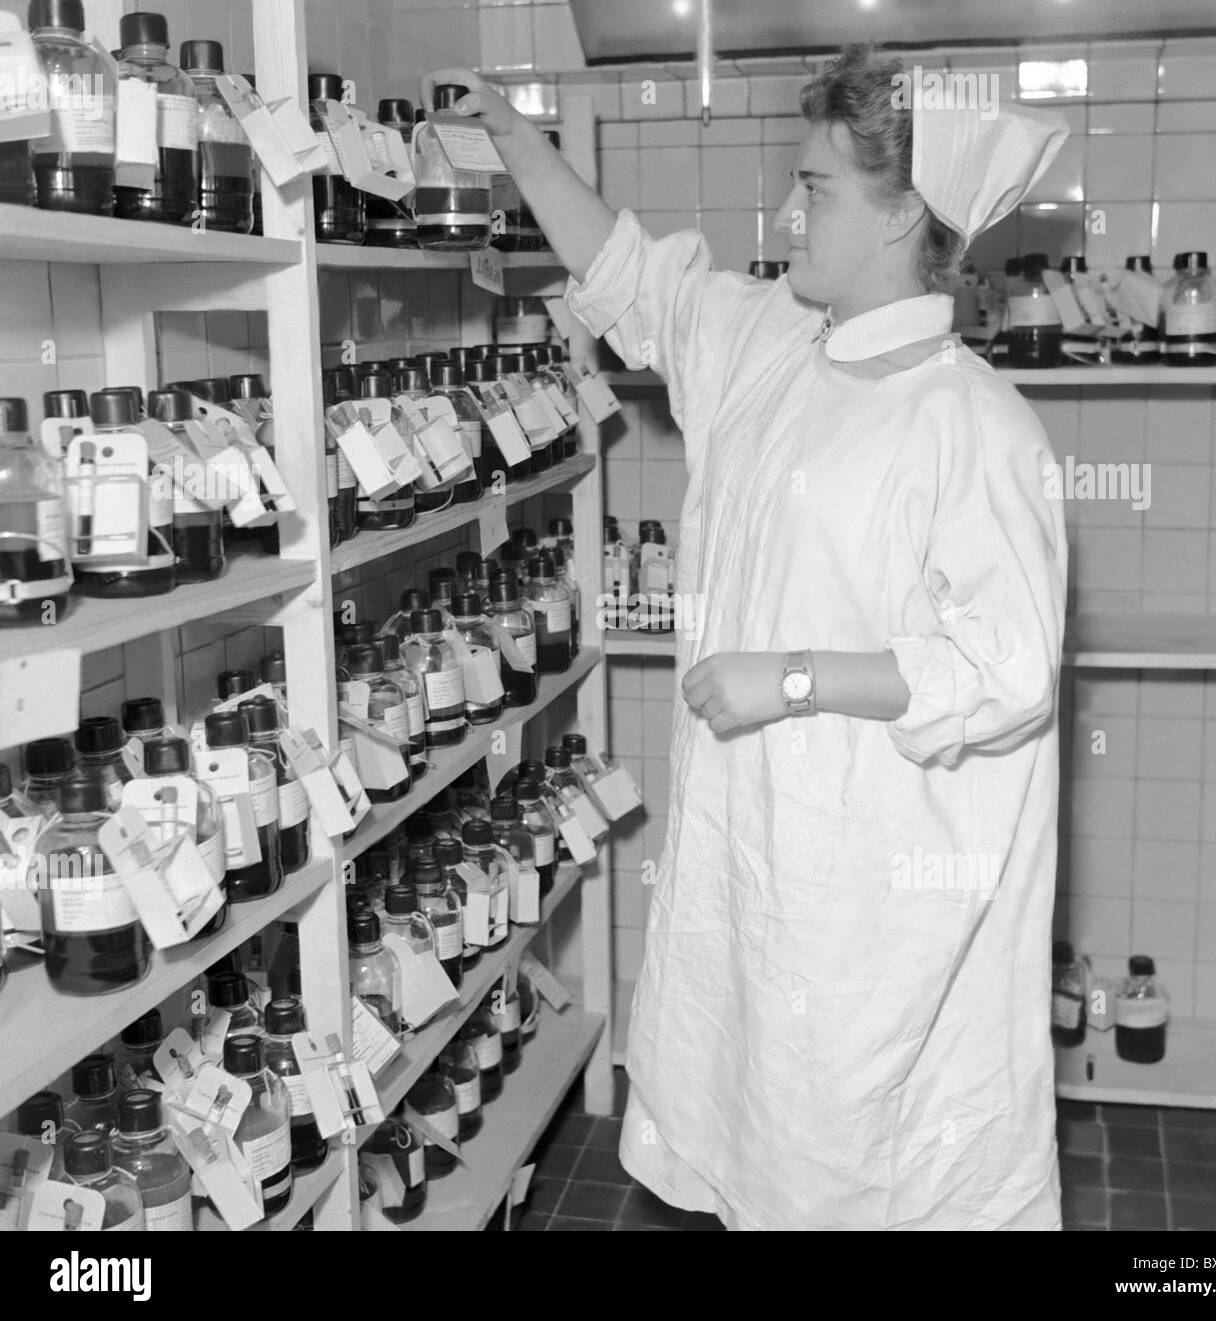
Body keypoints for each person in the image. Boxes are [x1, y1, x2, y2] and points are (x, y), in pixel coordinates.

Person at [435, 44, 1070, 1229]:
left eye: (815, 186)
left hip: (875, 906)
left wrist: (787, 678)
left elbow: (1003, 669)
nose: (786, 209)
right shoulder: (774, 343)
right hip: (759, 873)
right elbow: (638, 278)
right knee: (761, 1151)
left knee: (859, 1172)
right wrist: (518, 142)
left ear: (900, 219)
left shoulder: (973, 422)